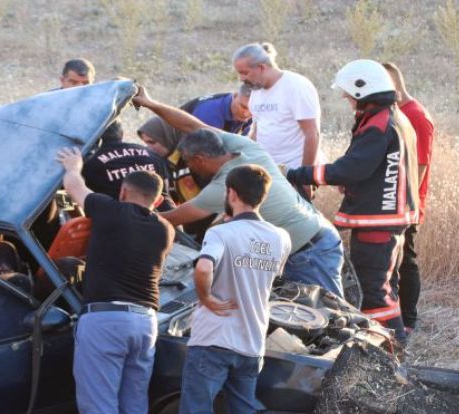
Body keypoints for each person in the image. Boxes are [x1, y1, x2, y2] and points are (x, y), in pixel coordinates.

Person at [131, 85, 344, 297]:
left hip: (310, 252)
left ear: (200, 160)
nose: (189, 167)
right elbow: (191, 124)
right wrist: (151, 103)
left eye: (188, 162)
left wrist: (123, 217)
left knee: (334, 319)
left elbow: (170, 219)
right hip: (310, 237)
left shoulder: (224, 187)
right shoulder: (243, 146)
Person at [55, 150, 175, 414]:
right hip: (146, 322)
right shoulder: (165, 230)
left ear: (122, 192)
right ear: (158, 200)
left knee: (101, 408)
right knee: (134, 406)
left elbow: (75, 187)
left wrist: (73, 166)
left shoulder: (110, 211)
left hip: (105, 320)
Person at [180, 164, 291, 414]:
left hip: (214, 338)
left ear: (231, 193)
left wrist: (207, 298)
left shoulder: (221, 233)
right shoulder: (280, 237)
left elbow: (202, 269)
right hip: (252, 341)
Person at [285, 60, 419, 342]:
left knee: (374, 292)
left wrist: (299, 173)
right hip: (390, 219)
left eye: (349, 95)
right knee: (385, 287)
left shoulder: (378, 124)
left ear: (364, 91)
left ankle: (387, 353)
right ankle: (394, 348)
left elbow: (352, 168)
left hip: (377, 221)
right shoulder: (393, 117)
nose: (347, 101)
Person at [233, 42, 324, 200]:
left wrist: (305, 179)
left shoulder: (296, 86)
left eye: (245, 72)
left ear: (261, 67)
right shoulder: (256, 91)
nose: (241, 78)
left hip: (293, 174)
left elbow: (312, 134)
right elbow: (257, 131)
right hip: (265, 175)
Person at [383, 62, 434, 335]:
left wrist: (405, 203)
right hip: (391, 202)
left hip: (407, 203)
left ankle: (409, 320)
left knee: (406, 260)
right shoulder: (393, 112)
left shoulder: (415, 115)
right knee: (392, 260)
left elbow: (421, 165)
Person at [82, 120, 172, 203]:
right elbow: (166, 191)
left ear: (93, 136)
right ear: (121, 133)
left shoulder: (90, 163)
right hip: (166, 213)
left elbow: (85, 199)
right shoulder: (152, 154)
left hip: (121, 217)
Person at [179, 83, 254, 136]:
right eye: (243, 107)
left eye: (252, 109)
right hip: (173, 145)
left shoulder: (255, 111)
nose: (246, 114)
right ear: (234, 96)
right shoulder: (210, 112)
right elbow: (205, 151)